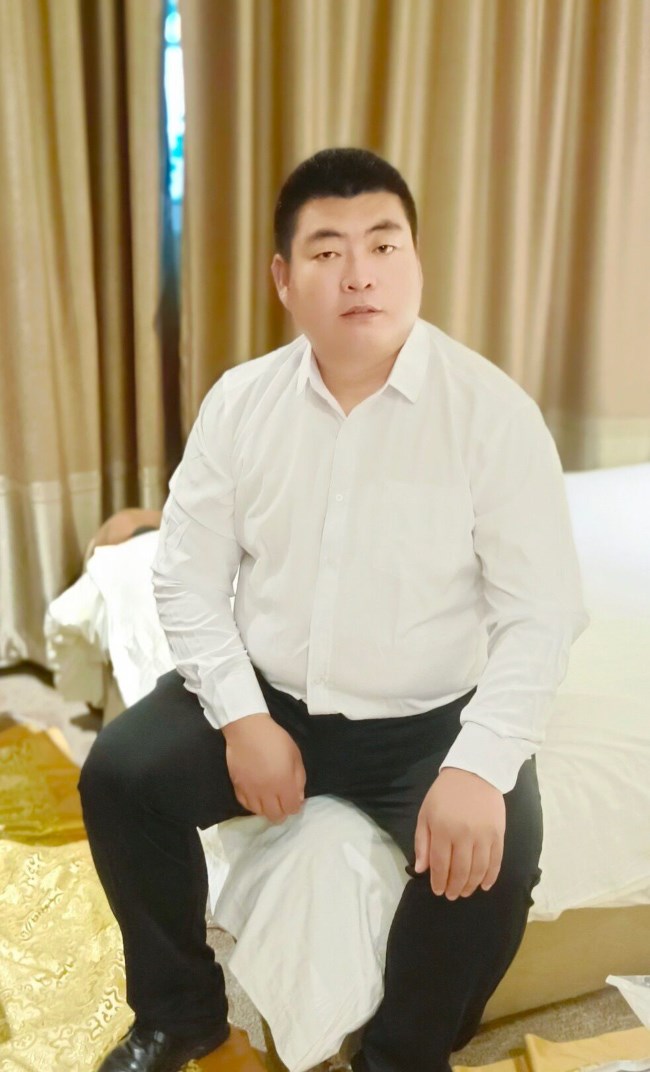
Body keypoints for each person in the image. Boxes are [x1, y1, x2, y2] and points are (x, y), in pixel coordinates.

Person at [78, 147, 589, 1072]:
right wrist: (243, 719)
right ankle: (181, 1013)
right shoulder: (242, 403)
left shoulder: (492, 414)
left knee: (498, 858)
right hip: (273, 696)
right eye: (327, 251)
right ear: (284, 278)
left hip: (428, 719)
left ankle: (400, 1057)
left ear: (416, 261)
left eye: (384, 245)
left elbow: (542, 612)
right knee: (120, 775)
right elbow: (186, 577)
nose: (359, 273)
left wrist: (479, 767)